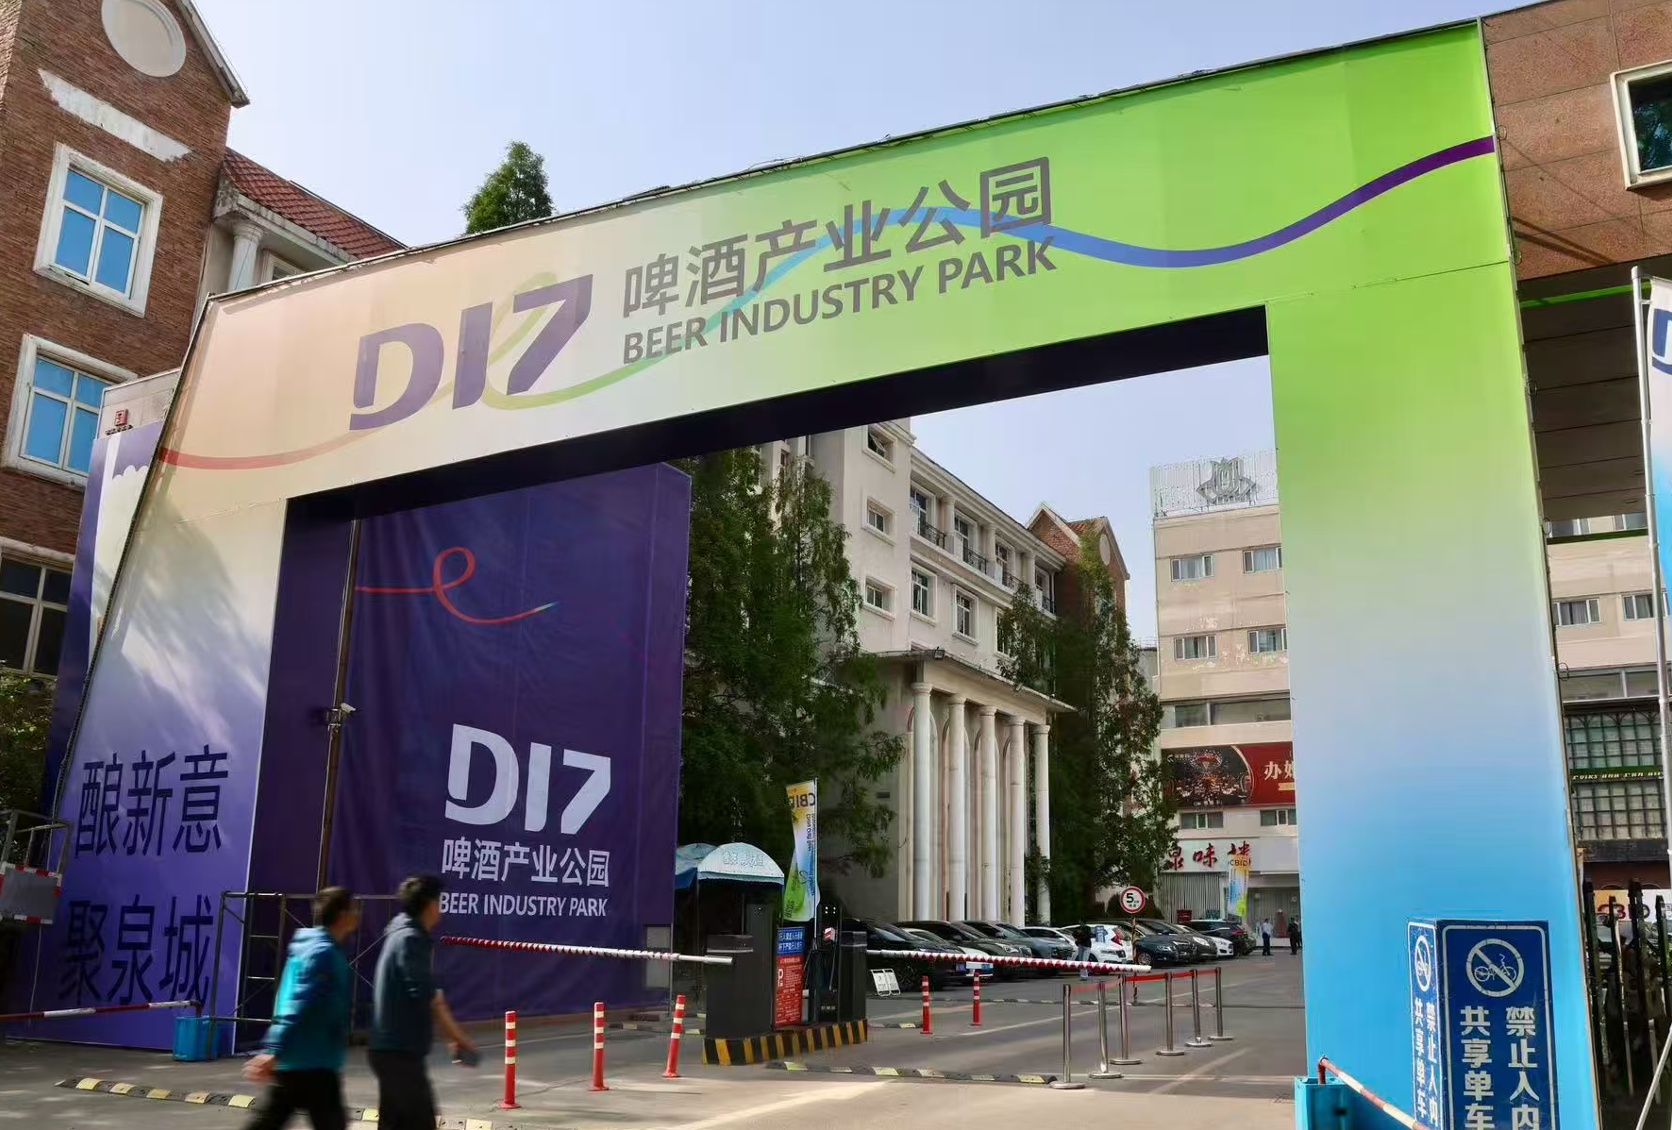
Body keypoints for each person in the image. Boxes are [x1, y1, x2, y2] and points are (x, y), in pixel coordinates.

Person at [242, 887, 359, 1130]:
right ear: (342, 914)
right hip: (310, 1062)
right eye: (353, 909)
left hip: (310, 1059)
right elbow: (298, 1001)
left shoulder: (317, 948)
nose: (357, 914)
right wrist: (274, 1049)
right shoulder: (322, 953)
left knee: (270, 1121)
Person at [369, 875, 475, 1129]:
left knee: (394, 1124)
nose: (441, 908)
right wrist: (458, 1038)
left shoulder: (401, 933)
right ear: (429, 905)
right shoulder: (411, 940)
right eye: (439, 902)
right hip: (400, 1053)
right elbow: (430, 998)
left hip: (389, 1050)